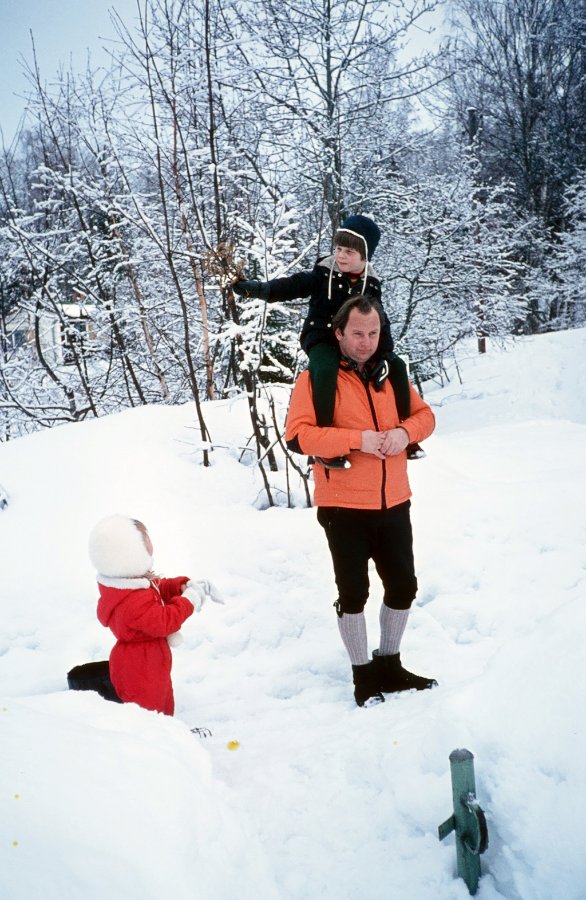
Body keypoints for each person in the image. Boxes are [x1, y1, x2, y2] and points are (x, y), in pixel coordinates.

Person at [285, 294, 437, 708]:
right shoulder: (316, 379)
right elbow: (298, 435)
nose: (366, 341)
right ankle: (362, 675)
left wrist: (405, 433)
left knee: (403, 586)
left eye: (373, 333)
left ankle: (389, 663)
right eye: (357, 333)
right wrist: (358, 440)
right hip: (343, 506)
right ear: (338, 333)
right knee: (354, 593)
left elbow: (425, 416)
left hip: (395, 501)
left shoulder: (391, 374)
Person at [233, 214, 424, 466]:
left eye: (349, 252)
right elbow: (294, 285)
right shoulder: (324, 273)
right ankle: (325, 447)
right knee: (325, 369)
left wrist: (385, 353)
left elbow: (380, 320)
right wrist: (261, 290)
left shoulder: (371, 284)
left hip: (355, 340)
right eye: (338, 249)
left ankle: (406, 436)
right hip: (322, 336)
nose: (341, 256)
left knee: (397, 366)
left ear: (365, 257)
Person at [89, 514, 221, 716]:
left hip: (150, 660)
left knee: (162, 700)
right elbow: (165, 620)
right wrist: (190, 599)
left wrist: (180, 586)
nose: (151, 550)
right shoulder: (131, 603)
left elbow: (157, 588)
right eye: (145, 546)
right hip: (141, 667)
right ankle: (158, 735)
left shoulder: (128, 587)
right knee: (150, 712)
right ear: (129, 556)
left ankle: (166, 730)